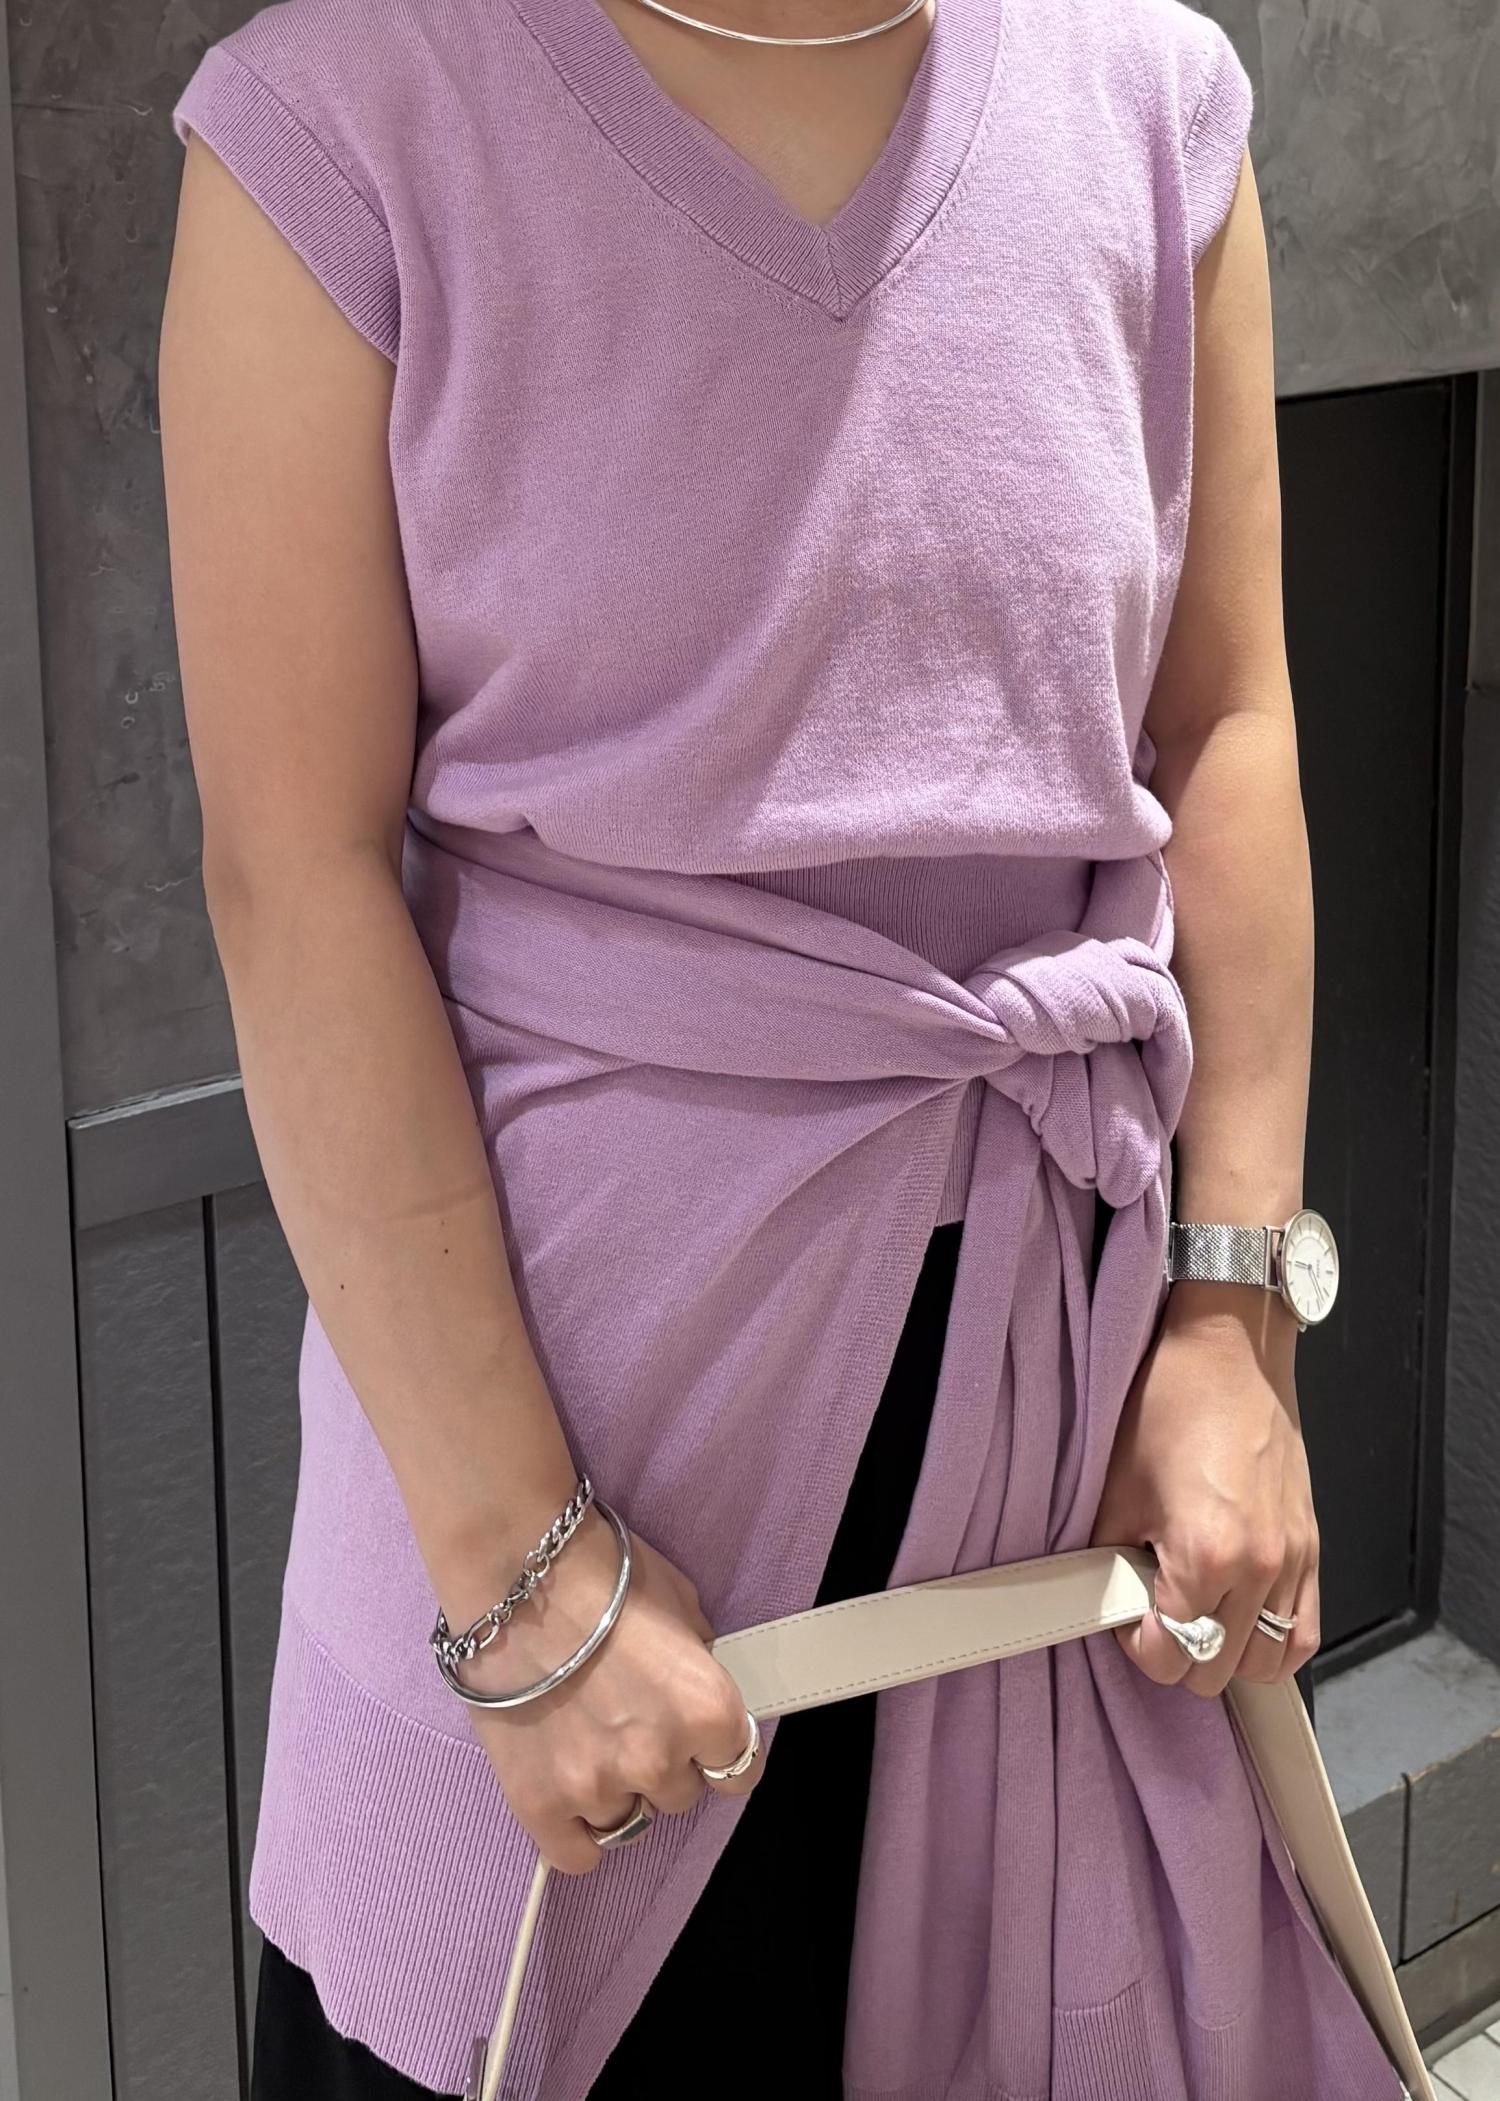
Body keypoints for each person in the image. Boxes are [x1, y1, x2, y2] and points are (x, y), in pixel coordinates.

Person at [157, 0, 1402, 2094]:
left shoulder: (1150, 94)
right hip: (565, 1475)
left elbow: (1228, 726)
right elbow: (297, 869)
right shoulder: (346, 118)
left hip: (1066, 1449)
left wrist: (1231, 1318)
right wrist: (516, 1573)